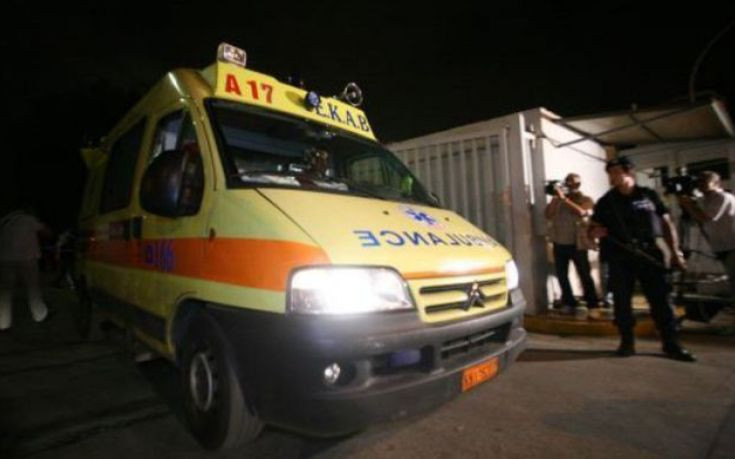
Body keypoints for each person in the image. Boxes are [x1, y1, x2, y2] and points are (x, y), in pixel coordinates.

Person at [589, 157, 696, 362]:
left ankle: (671, 344)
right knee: (621, 302)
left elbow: (666, 224)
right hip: (619, 255)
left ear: (629, 172)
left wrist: (675, 253)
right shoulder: (606, 201)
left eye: (615, 172)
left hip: (649, 252)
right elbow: (592, 229)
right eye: (609, 173)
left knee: (661, 300)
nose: (611, 176)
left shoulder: (649, 195)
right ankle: (627, 342)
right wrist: (594, 233)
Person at [545, 173, 600, 316]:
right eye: (568, 182)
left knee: (584, 275)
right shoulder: (558, 200)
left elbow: (582, 212)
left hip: (578, 244)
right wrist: (556, 199)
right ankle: (569, 302)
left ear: (579, 184)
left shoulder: (585, 199)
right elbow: (548, 215)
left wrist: (565, 199)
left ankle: (593, 305)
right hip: (559, 243)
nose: (570, 185)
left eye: (574, 183)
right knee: (562, 276)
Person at [677, 171, 735, 302]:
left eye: (704, 182)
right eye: (699, 182)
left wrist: (688, 204)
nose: (700, 185)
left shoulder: (722, 197)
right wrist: (688, 203)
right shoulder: (705, 199)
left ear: (716, 183)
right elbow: (694, 218)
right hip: (723, 247)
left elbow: (705, 217)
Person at [0, 205, 53, 330]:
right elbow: (46, 231)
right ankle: (40, 315)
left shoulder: (4, 221)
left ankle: (3, 323)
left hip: (5, 259)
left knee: (5, 291)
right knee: (33, 287)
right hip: (27, 258)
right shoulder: (27, 219)